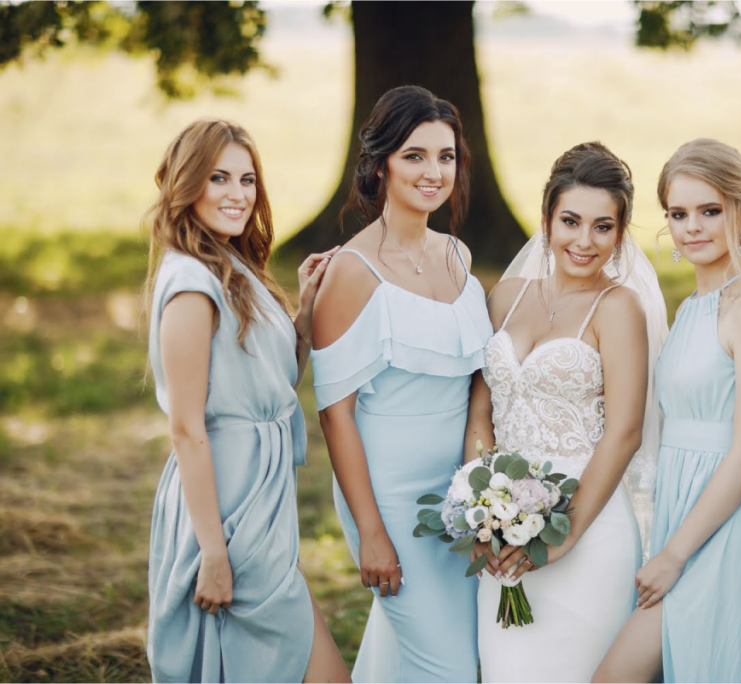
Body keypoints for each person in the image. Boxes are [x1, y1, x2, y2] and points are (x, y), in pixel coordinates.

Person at [145, 119, 349, 683]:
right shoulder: (191, 285)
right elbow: (187, 429)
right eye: (219, 178)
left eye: (247, 179)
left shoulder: (234, 268)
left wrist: (302, 322)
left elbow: (271, 388)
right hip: (225, 509)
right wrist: (213, 553)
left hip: (262, 500)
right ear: (188, 185)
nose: (238, 195)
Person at [595, 138, 741, 684]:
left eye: (710, 211)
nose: (693, 227)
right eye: (678, 214)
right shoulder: (689, 307)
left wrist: (675, 553)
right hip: (677, 507)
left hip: (725, 522)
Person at [465, 141, 667, 684]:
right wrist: (482, 511)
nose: (584, 241)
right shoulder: (505, 295)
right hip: (503, 534)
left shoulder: (619, 307)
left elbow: (624, 433)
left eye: (603, 227)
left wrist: (563, 534)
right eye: (571, 221)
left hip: (587, 525)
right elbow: (480, 410)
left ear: (621, 233)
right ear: (547, 219)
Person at [311, 86, 489, 684]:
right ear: (380, 162)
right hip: (387, 494)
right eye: (414, 156)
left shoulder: (459, 256)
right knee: (450, 669)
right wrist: (371, 534)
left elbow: (478, 385)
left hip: (460, 496)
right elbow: (334, 414)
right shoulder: (352, 272)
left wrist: (482, 491)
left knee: (425, 654)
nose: (433, 172)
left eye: (446, 156)